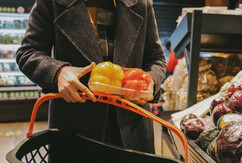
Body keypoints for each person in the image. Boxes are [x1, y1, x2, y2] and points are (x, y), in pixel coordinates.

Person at [16, 0, 166, 153]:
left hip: (133, 129)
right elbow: (28, 53)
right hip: (74, 129)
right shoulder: (52, 3)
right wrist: (58, 72)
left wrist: (149, 84)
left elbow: (156, 58)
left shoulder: (141, 4)